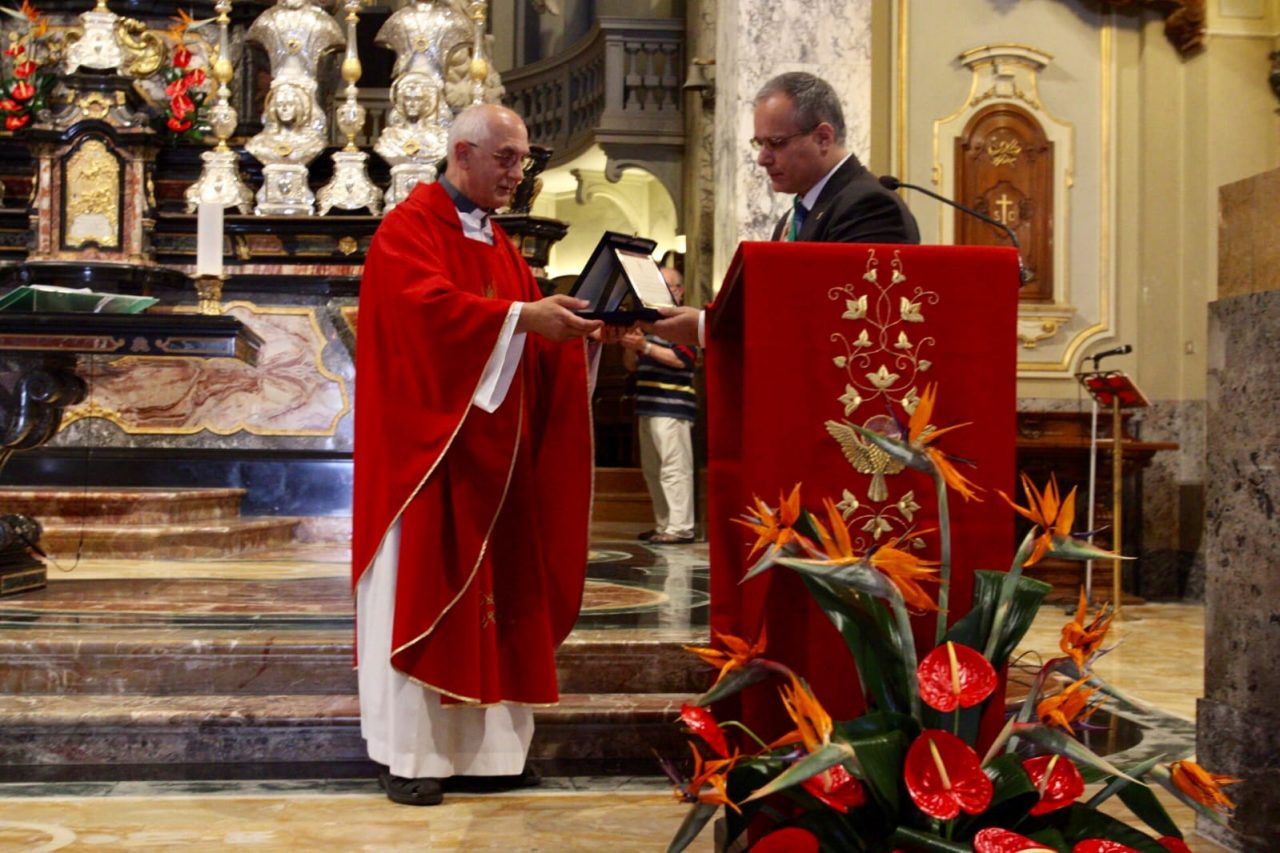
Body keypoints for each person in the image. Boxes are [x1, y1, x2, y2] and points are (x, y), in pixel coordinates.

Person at [351, 103, 603, 807]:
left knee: (504, 599)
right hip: (427, 462)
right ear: (462, 153)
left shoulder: (498, 244)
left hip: (495, 464)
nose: (518, 174)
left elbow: (525, 327)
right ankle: (411, 754)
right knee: (424, 584)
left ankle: (492, 754)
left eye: (522, 159)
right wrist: (524, 318)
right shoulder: (408, 230)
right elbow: (423, 314)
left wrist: (574, 332)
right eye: (508, 159)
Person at [644, 71, 920, 346]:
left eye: (776, 143)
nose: (763, 158)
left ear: (823, 138)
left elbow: (845, 321)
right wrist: (709, 323)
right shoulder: (796, 215)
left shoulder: (869, 207)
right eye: (759, 143)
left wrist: (707, 328)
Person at [621, 267, 698, 545]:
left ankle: (681, 527)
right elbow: (631, 366)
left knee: (674, 468)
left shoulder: (683, 322)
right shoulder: (646, 321)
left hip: (672, 406)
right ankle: (664, 524)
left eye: (668, 286)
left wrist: (646, 347)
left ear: (679, 291)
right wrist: (631, 345)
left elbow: (684, 360)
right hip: (647, 404)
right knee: (653, 469)